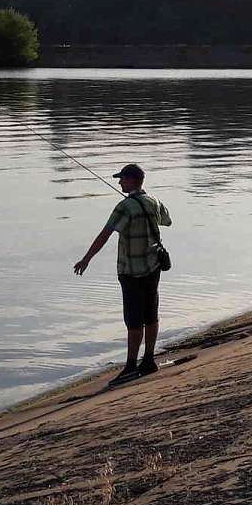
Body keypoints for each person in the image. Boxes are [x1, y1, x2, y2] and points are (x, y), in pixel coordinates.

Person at [73, 163, 173, 385]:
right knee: (151, 314)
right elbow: (167, 221)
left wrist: (87, 258)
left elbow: (105, 234)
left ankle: (130, 366)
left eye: (122, 179)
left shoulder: (124, 207)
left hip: (131, 271)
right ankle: (148, 361)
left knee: (133, 319)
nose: (119, 182)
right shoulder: (154, 202)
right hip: (153, 267)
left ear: (133, 180)